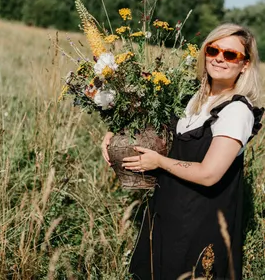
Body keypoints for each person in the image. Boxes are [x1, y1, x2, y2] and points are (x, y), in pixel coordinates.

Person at [101, 23, 264, 280]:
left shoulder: (236, 111)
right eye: (213, 50)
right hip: (166, 216)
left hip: (201, 225)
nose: (219, 58)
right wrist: (115, 132)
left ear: (245, 64)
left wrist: (159, 162)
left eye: (230, 54)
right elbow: (152, 126)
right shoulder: (191, 94)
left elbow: (209, 174)